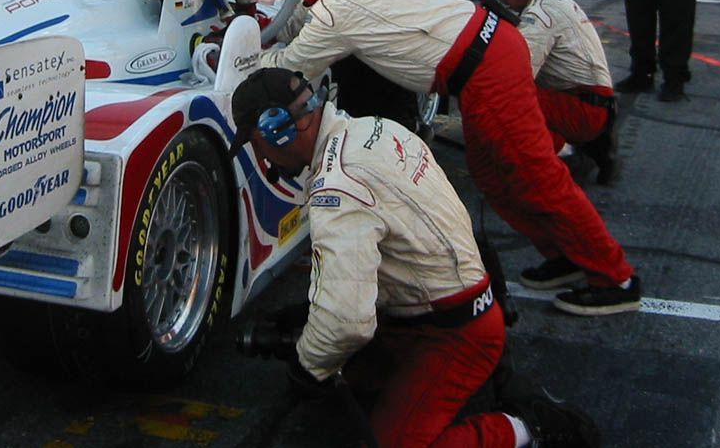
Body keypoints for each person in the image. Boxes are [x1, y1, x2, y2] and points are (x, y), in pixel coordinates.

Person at [252, 0, 640, 315]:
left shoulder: (338, 12)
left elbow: (289, 67)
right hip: (489, 54)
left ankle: (616, 278)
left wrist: (243, 54)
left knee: (539, 177)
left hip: (486, 72)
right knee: (494, 177)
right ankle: (567, 255)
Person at [230, 68, 600, 448]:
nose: (260, 156)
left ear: (277, 130)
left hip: (455, 332)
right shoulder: (375, 128)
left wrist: (307, 367)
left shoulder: (338, 185)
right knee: (344, 369)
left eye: (255, 143)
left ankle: (528, 428)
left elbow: (345, 323)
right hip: (453, 300)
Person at [481, 0, 618, 185]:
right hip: (595, 103)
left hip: (585, 109)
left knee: (503, 99)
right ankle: (593, 147)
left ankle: (567, 156)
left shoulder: (540, 17)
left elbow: (517, 75)